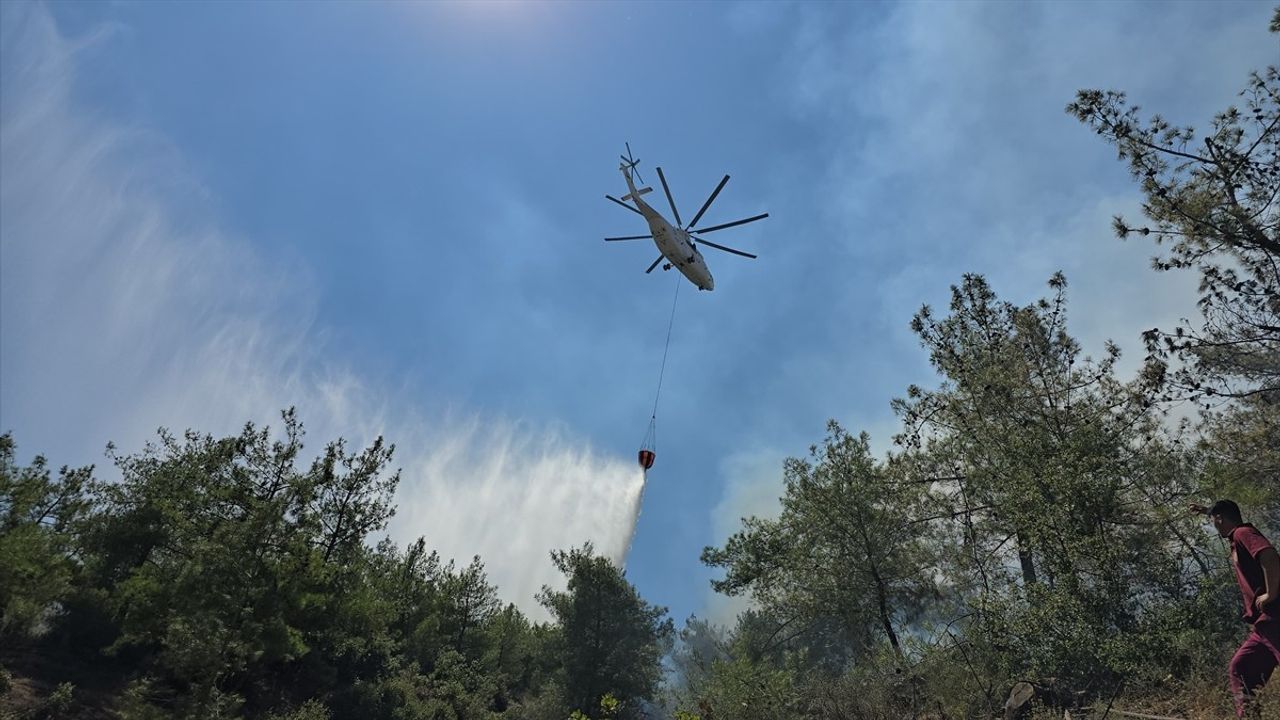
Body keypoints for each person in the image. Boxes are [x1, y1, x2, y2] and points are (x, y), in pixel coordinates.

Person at [1190, 499, 1280, 716]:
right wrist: (1207, 511)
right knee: (1240, 668)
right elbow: (1222, 512)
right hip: (1264, 626)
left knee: (1242, 668)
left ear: (1220, 519)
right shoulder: (1236, 534)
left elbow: (1269, 556)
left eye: (1214, 521)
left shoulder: (1242, 534)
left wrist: (1271, 594)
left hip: (1275, 618)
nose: (1214, 525)